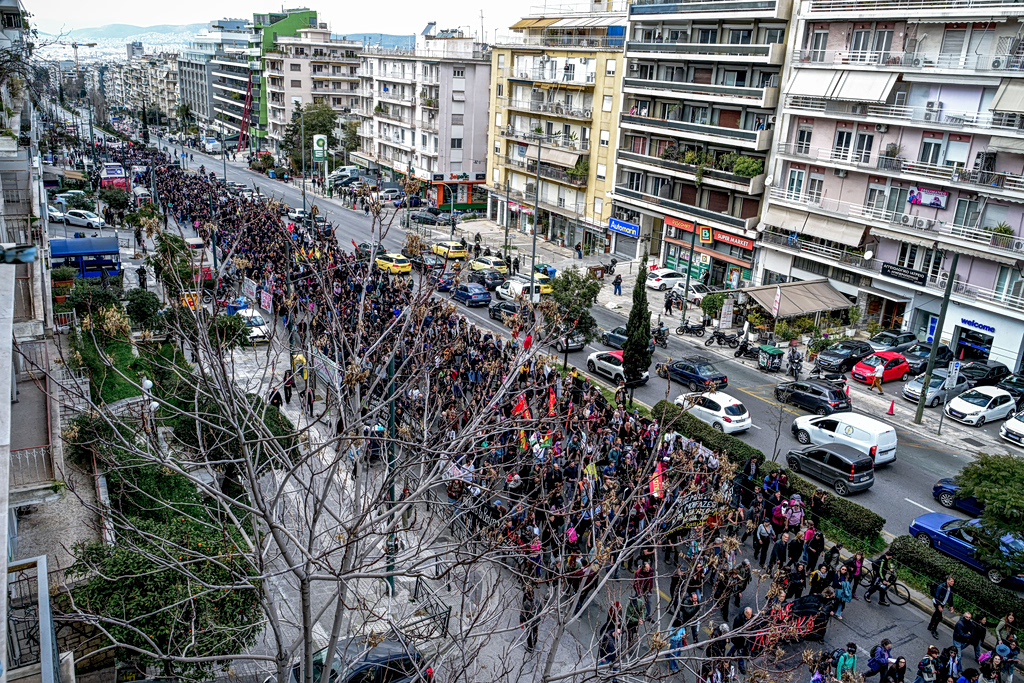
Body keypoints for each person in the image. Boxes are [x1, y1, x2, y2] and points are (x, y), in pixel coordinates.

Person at [520, 587, 539, 652]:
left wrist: (521, 622)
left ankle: (530, 647)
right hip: (536, 620)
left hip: (528, 621)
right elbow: (540, 609)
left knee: (529, 633)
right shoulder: (537, 601)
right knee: (535, 631)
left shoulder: (526, 604)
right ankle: (534, 642)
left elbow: (522, 613)